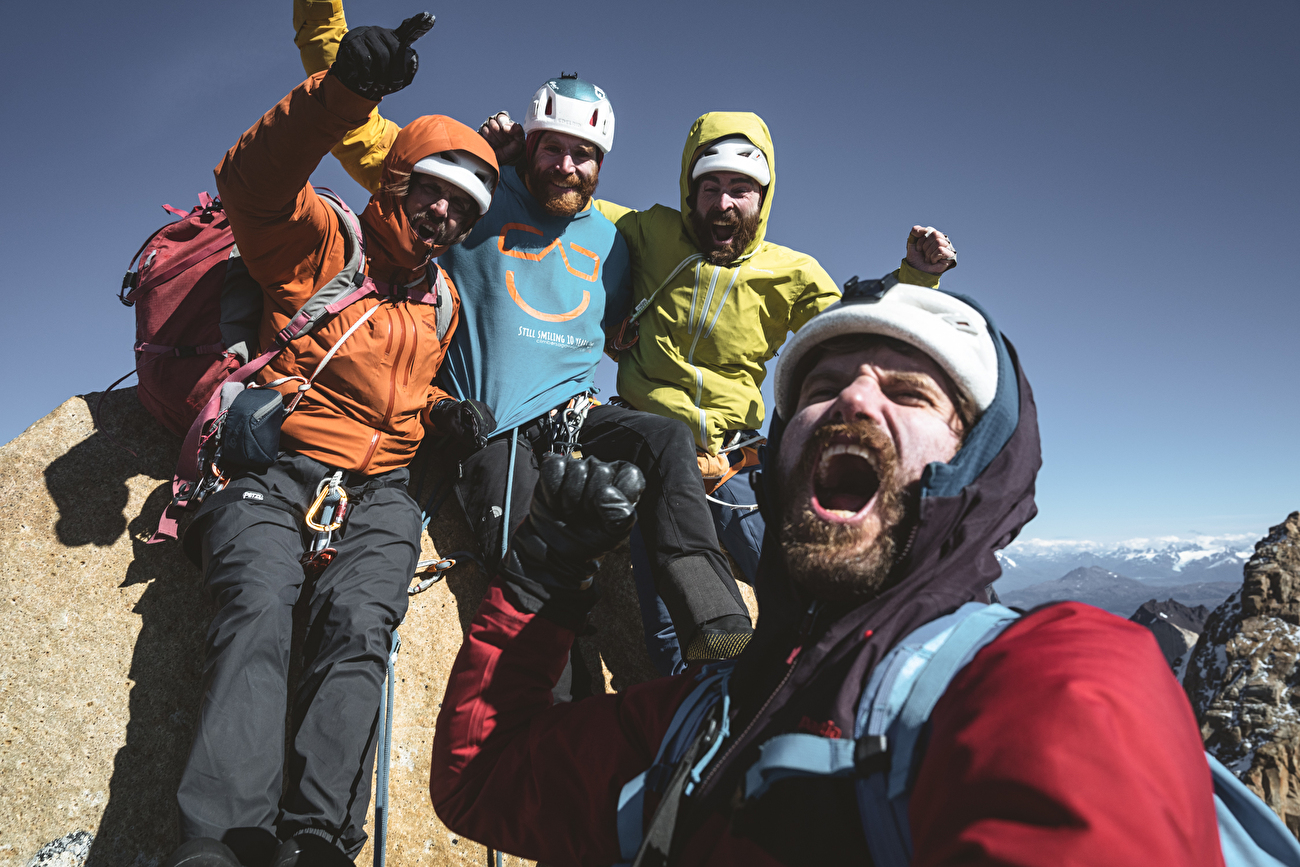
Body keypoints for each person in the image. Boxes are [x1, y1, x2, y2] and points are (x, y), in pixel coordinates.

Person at [427, 280, 1222, 865]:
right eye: (820, 388)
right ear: (777, 459)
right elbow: (487, 779)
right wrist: (543, 573)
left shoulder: (1056, 676)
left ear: (975, 468)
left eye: (909, 392)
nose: (853, 404)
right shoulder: (706, 716)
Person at [294, 1, 791, 670]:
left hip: (572, 413)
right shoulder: (473, 192)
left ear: (601, 162)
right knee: (526, 546)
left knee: (662, 437)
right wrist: (339, 45)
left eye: (583, 154)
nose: (565, 165)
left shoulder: (616, 238)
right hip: (492, 422)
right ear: (527, 144)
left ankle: (711, 607)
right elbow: (357, 135)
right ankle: (556, 699)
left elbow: (680, 287)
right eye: (552, 147)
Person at [164, 17, 499, 867]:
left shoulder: (443, 302)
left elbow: (396, 395)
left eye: (462, 208)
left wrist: (437, 423)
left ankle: (316, 843)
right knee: (259, 606)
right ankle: (221, 841)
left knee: (360, 624)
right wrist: (343, 93)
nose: (444, 213)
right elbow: (251, 180)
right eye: (433, 190)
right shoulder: (321, 242)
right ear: (396, 178)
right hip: (275, 470)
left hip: (380, 490)